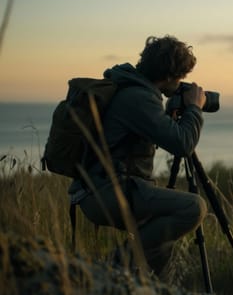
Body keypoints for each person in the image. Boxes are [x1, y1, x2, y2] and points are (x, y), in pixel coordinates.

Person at [68, 35, 208, 276]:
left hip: (99, 188)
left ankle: (145, 287)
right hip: (106, 192)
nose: (181, 83)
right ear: (167, 77)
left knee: (163, 232)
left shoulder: (133, 89)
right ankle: (114, 266)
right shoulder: (139, 98)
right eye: (180, 77)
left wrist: (169, 119)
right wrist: (194, 108)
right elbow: (183, 144)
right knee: (193, 208)